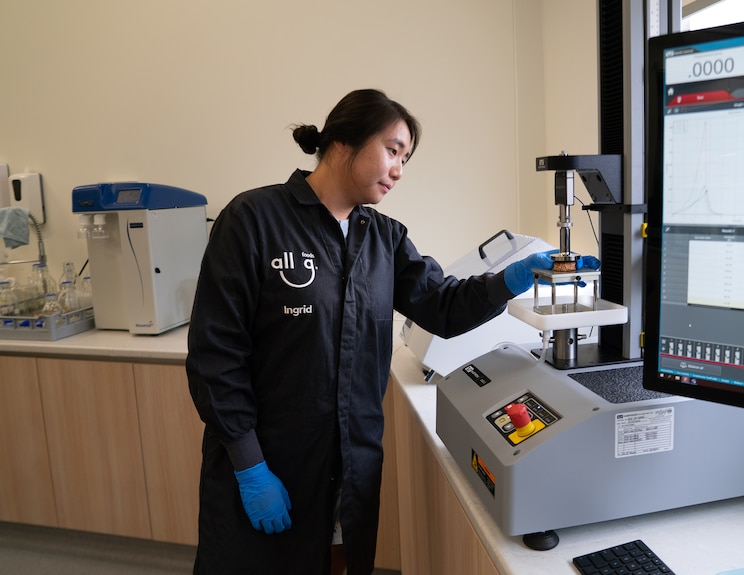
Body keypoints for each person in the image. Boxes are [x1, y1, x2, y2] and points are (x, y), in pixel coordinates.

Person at [186, 88, 552, 575]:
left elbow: (441, 306)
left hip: (352, 463)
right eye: (393, 150)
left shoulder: (385, 237)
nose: (399, 169)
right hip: (270, 461)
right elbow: (216, 355)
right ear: (342, 143)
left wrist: (510, 279)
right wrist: (250, 465)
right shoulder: (253, 220)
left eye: (406, 158)